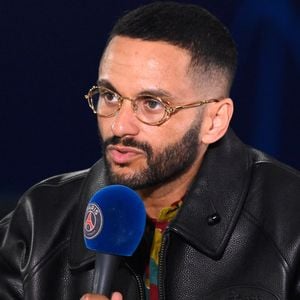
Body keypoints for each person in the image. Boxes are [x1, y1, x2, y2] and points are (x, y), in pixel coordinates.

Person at [1, 2, 300, 299]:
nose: (120, 126)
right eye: (109, 96)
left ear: (214, 120)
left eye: (152, 104)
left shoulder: (289, 223)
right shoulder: (39, 222)